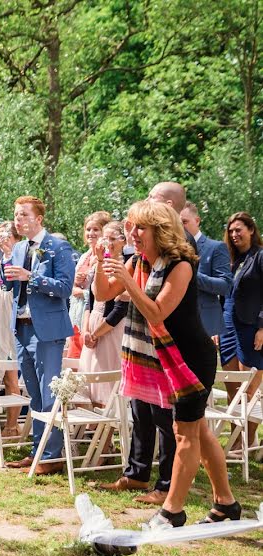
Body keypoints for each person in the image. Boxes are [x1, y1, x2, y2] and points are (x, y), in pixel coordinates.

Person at [95, 200, 239, 527]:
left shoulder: (181, 264)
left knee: (185, 433)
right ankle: (225, 504)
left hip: (190, 359)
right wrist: (103, 263)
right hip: (166, 359)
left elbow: (158, 312)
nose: (132, 233)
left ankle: (172, 511)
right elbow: (104, 294)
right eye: (130, 226)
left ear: (159, 230)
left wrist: (128, 281)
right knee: (199, 433)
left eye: (139, 227)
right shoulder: (138, 261)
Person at [0, 196, 75, 475]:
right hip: (21, 327)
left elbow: (65, 288)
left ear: (39, 218)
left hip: (48, 329)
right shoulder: (19, 248)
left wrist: (31, 276)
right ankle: (38, 451)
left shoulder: (58, 246)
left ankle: (51, 455)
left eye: (23, 215)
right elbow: (7, 283)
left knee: (48, 391)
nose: (18, 220)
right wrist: (6, 261)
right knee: (33, 391)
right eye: (16, 216)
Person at [219, 212, 263, 448]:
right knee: (232, 385)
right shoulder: (231, 260)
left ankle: (245, 442)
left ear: (251, 230)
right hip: (226, 326)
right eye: (231, 231)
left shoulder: (260, 257)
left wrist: (262, 327)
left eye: (239, 230)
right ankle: (237, 439)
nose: (234, 234)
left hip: (250, 327)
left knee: (249, 389)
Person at [80, 221, 129, 405]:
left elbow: (119, 310)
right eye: (105, 238)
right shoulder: (97, 266)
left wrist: (96, 334)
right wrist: (86, 331)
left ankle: (108, 428)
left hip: (110, 329)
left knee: (108, 384)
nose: (107, 243)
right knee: (89, 381)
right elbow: (89, 302)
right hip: (92, 324)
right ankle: (96, 430)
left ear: (123, 241)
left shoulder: (125, 267)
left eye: (112, 238)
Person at [0, 221, 23, 436]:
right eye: (0, 236)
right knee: (7, 375)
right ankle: (10, 424)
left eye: (7, 236)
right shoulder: (4, 260)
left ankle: (12, 426)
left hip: (10, 320)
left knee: (11, 375)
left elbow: (9, 289)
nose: (3, 240)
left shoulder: (18, 259)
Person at [180, 202, 232, 338]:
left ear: (197, 221)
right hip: (177, 325)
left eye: (184, 222)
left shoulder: (216, 247)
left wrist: (189, 275)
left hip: (205, 325)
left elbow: (225, 286)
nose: (180, 227)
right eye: (177, 223)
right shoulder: (171, 251)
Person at [67, 211, 110, 359]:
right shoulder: (84, 256)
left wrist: (82, 292)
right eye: (88, 229)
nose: (91, 233)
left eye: (96, 229)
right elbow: (72, 287)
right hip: (77, 313)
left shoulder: (106, 256)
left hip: (94, 313)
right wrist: (75, 282)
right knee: (74, 358)